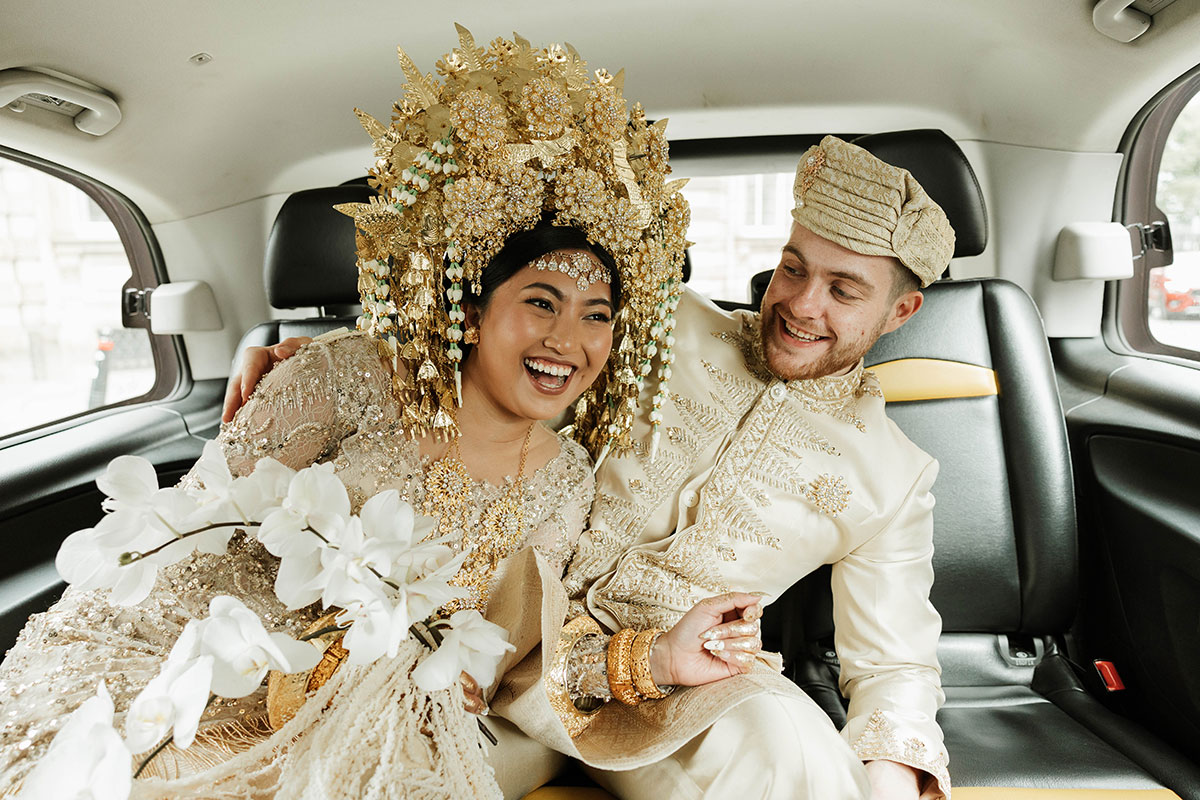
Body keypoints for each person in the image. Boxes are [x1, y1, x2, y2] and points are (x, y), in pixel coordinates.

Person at [0, 31, 764, 800]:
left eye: (596, 315)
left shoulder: (566, 481)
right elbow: (192, 529)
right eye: (541, 302)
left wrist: (661, 657)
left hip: (363, 716)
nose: (568, 341)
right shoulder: (347, 373)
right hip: (197, 659)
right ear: (471, 311)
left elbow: (529, 660)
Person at [237, 136, 956, 799]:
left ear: (902, 311)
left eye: (843, 290)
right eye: (793, 269)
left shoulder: (895, 477)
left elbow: (895, 668)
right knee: (370, 765)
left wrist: (891, 785)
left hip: (671, 689)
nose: (801, 304)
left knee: (787, 747)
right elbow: (509, 333)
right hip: (481, 640)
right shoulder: (664, 320)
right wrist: (324, 359)